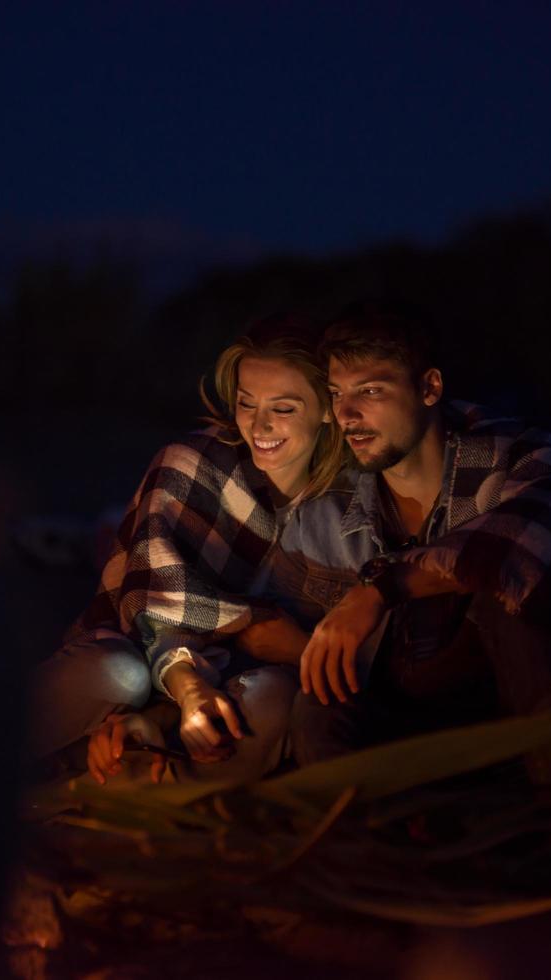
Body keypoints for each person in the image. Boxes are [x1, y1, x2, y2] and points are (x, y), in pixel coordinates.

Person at [271, 304, 551, 782]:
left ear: (429, 388)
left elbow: (523, 546)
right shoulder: (332, 504)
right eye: (337, 395)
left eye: (371, 391)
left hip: (522, 709)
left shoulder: (521, 456)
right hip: (411, 716)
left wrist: (380, 589)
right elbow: (280, 606)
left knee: (506, 603)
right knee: (320, 697)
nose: (346, 415)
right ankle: (362, 839)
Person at [29, 313, 344, 785]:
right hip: (140, 659)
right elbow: (155, 602)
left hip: (239, 681)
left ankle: (141, 784)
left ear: (327, 406)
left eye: (283, 408)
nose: (259, 425)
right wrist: (189, 687)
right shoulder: (194, 464)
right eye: (245, 402)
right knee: (118, 674)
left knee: (275, 699)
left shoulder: (344, 500)